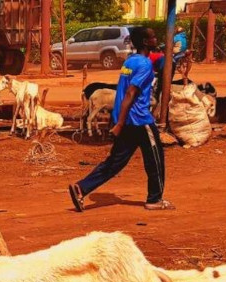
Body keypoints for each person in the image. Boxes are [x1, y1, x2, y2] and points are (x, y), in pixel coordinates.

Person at [69, 26, 172, 212]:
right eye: (153, 37)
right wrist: (119, 124)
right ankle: (154, 199)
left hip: (127, 120)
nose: (156, 40)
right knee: (155, 160)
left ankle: (81, 188)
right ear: (145, 42)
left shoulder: (130, 61)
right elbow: (130, 94)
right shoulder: (144, 64)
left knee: (115, 162)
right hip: (140, 120)